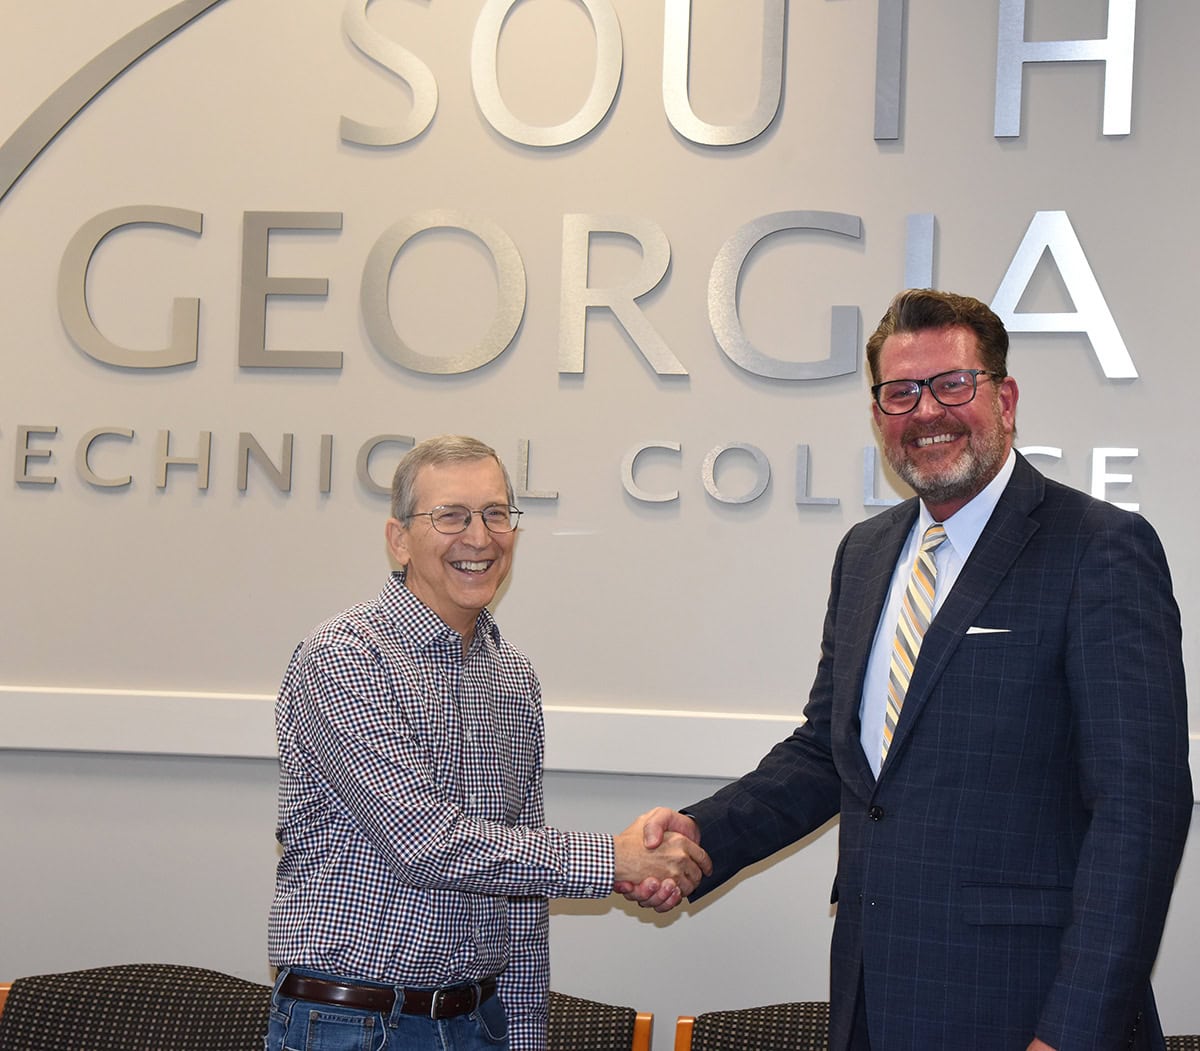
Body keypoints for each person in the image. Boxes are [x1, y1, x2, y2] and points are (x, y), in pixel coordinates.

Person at [624, 290, 1193, 1050]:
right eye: (901, 393)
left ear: (1005, 397)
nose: (927, 411)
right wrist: (698, 836)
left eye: (952, 384)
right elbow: (830, 755)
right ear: (878, 412)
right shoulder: (865, 554)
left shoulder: (1099, 548)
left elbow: (1141, 810)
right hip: (872, 996)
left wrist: (1072, 1031)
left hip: (1028, 1010)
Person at [266, 434, 711, 1051]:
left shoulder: (512, 675)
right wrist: (616, 860)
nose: (478, 537)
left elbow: (518, 883)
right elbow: (425, 844)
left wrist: (526, 1038)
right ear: (399, 539)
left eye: (496, 514)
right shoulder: (344, 657)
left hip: (480, 1021)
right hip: (357, 1026)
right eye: (450, 515)